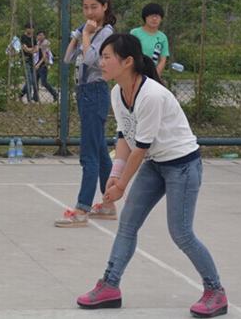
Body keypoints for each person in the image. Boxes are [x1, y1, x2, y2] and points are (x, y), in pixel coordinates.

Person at [76, 33, 228, 318]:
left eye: (107, 57)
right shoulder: (117, 93)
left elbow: (141, 148)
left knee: (181, 233)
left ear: (128, 62)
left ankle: (215, 291)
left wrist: (121, 185)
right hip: (156, 163)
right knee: (127, 225)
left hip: (183, 166)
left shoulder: (151, 95)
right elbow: (125, 136)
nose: (101, 62)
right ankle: (110, 286)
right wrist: (115, 173)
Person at [57, 0, 116, 227]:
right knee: (100, 152)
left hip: (95, 92)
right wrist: (78, 33)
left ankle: (81, 210)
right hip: (84, 92)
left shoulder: (106, 33)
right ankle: (108, 205)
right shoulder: (88, 32)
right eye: (85, 7)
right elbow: (67, 58)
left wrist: (87, 35)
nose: (89, 12)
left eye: (94, 7)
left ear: (105, 7)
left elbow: (91, 59)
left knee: (89, 155)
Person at [130, 3, 170, 74]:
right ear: (145, 17)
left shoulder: (163, 37)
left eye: (157, 16)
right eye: (151, 16)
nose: (154, 19)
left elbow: (163, 60)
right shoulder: (135, 33)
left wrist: (155, 73)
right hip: (135, 72)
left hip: (152, 73)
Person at [34, 30, 59, 103]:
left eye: (42, 35)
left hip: (43, 64)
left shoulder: (46, 43)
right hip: (37, 63)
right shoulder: (37, 43)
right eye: (40, 35)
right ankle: (35, 97)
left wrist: (38, 64)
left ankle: (55, 94)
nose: (41, 36)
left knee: (44, 82)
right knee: (35, 81)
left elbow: (45, 55)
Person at [18, 23, 38, 103]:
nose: (32, 30)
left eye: (33, 28)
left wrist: (31, 50)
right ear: (27, 29)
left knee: (32, 81)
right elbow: (25, 49)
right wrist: (32, 49)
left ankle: (21, 94)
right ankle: (29, 98)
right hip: (24, 59)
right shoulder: (23, 37)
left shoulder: (33, 38)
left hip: (31, 60)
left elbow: (37, 49)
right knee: (29, 80)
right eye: (30, 28)